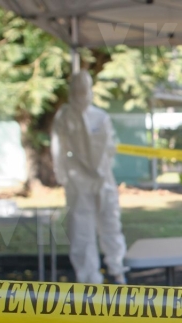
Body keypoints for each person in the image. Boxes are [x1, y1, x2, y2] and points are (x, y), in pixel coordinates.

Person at [51, 71, 127, 285]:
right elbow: (58, 148)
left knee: (110, 222)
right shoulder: (64, 117)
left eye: (85, 88)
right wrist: (63, 175)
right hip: (78, 179)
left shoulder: (100, 117)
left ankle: (117, 269)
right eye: (78, 88)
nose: (82, 93)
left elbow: (109, 148)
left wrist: (103, 172)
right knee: (81, 229)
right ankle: (89, 280)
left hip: (103, 179)